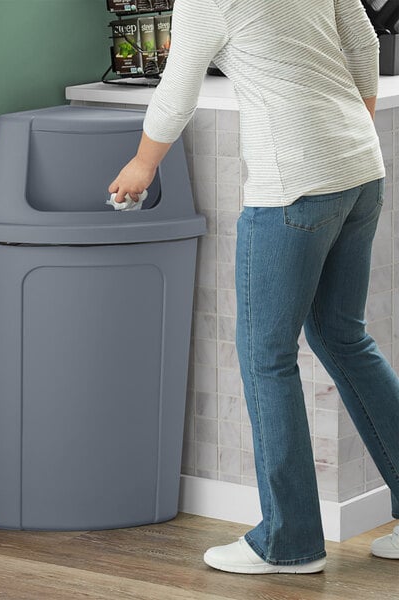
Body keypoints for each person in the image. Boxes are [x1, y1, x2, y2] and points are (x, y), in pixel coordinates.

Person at [109, 0, 399, 574]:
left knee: (266, 356)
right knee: (345, 338)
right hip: (359, 169)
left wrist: (143, 163)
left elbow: (177, 88)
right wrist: (347, 128)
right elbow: (365, 42)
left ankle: (288, 541)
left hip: (292, 182)